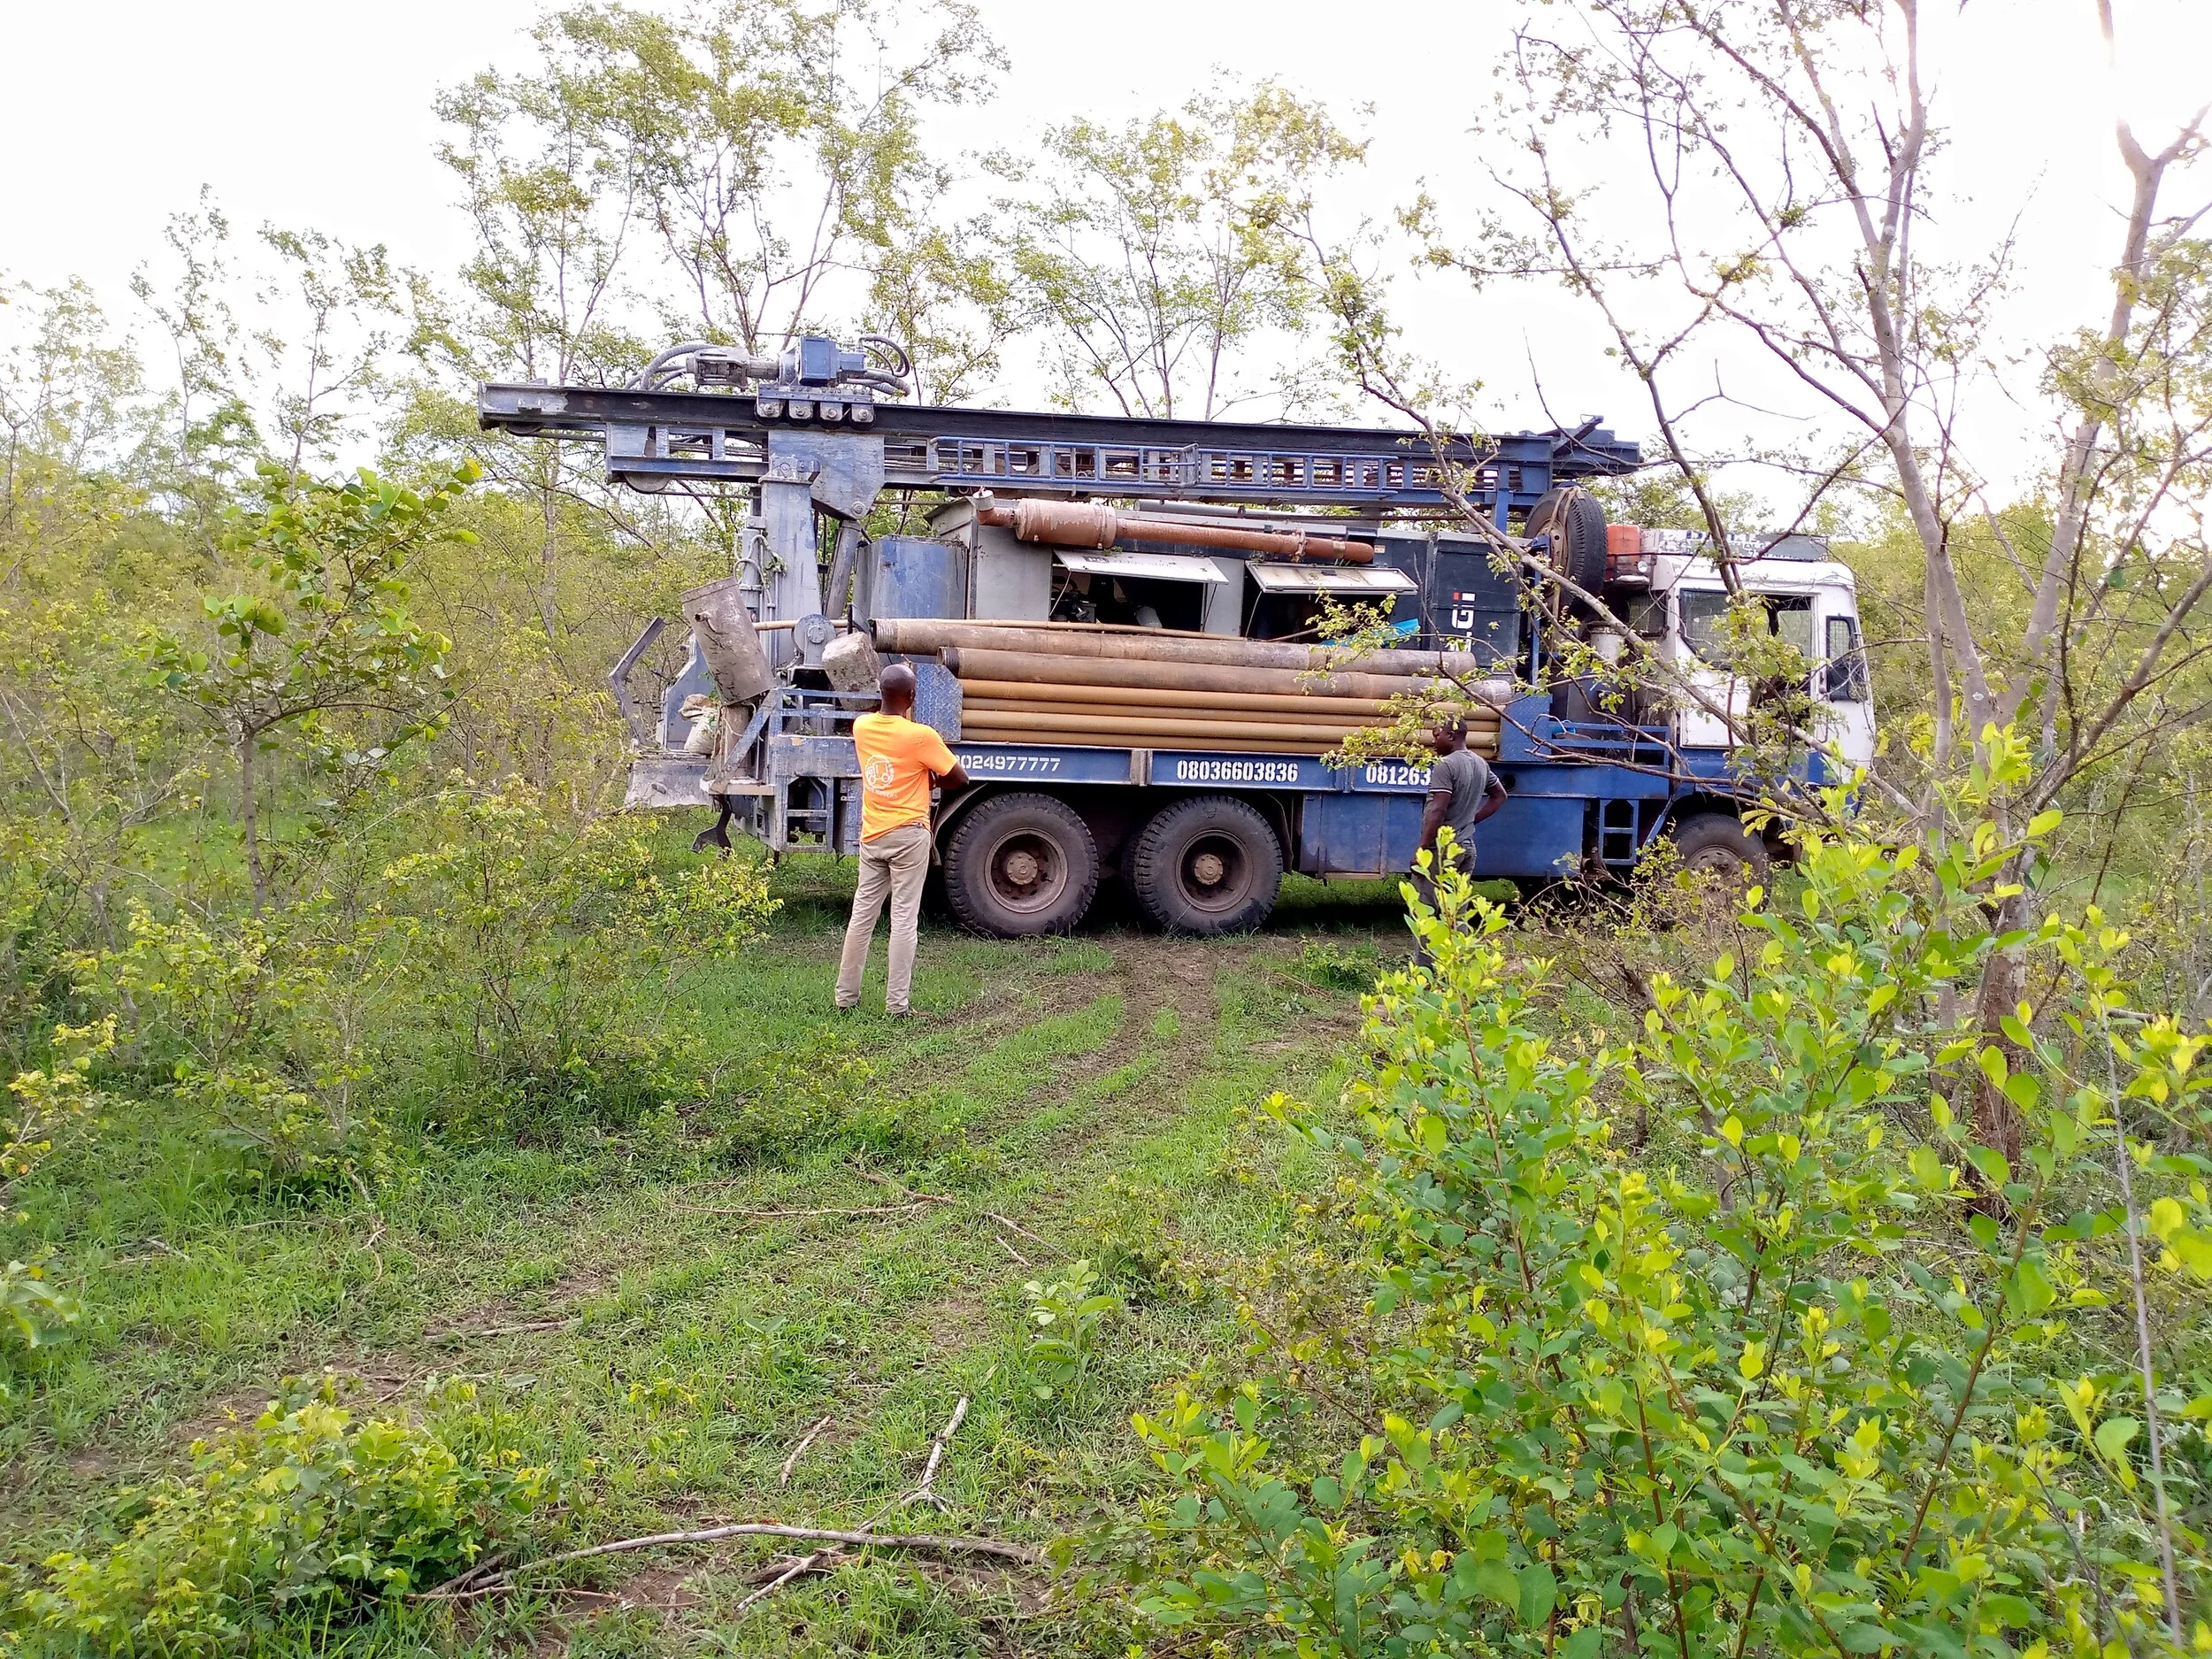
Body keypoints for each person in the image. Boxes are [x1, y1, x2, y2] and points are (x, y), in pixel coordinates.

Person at [835, 662, 968, 1017]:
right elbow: (959, 777)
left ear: (881, 692)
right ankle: (897, 1006)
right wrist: (931, 780)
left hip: (872, 835)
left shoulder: (861, 727)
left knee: (861, 918)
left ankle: (845, 999)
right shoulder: (920, 736)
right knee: (904, 920)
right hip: (909, 834)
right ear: (911, 697)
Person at [1411, 713, 1508, 958]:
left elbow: (1437, 809)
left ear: (1451, 736)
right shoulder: (1480, 763)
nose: (1433, 740)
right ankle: (1458, 969)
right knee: (1456, 913)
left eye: (1437, 734)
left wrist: (1423, 847)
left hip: (1442, 853)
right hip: (1466, 848)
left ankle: (1426, 973)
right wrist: (1472, 819)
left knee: (1426, 912)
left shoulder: (1446, 766)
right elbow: (1500, 796)